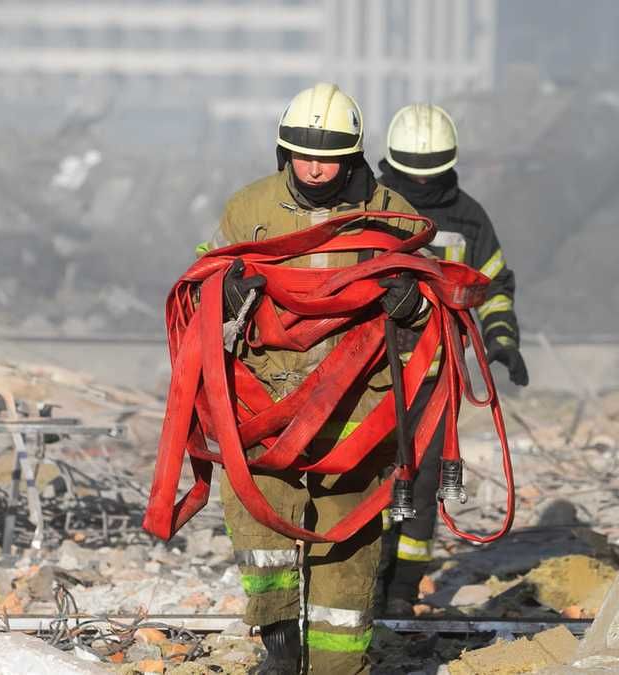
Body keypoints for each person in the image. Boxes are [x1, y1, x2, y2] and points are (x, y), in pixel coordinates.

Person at [203, 82, 427, 675]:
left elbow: (434, 315)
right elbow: (205, 284)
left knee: (347, 543)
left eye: (328, 156)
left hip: (354, 408)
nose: (315, 167)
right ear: (283, 152)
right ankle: (278, 644)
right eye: (303, 154)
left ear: (353, 155)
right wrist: (224, 292)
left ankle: (337, 667)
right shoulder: (248, 209)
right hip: (267, 399)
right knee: (257, 516)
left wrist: (413, 304)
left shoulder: (393, 214)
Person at [375, 103, 528, 616]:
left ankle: (400, 589)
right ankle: (364, 579)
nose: (420, 186)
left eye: (430, 175)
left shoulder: (467, 217)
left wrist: (502, 339)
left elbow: (495, 285)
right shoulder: (371, 209)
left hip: (437, 375)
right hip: (370, 373)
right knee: (372, 475)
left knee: (421, 480)